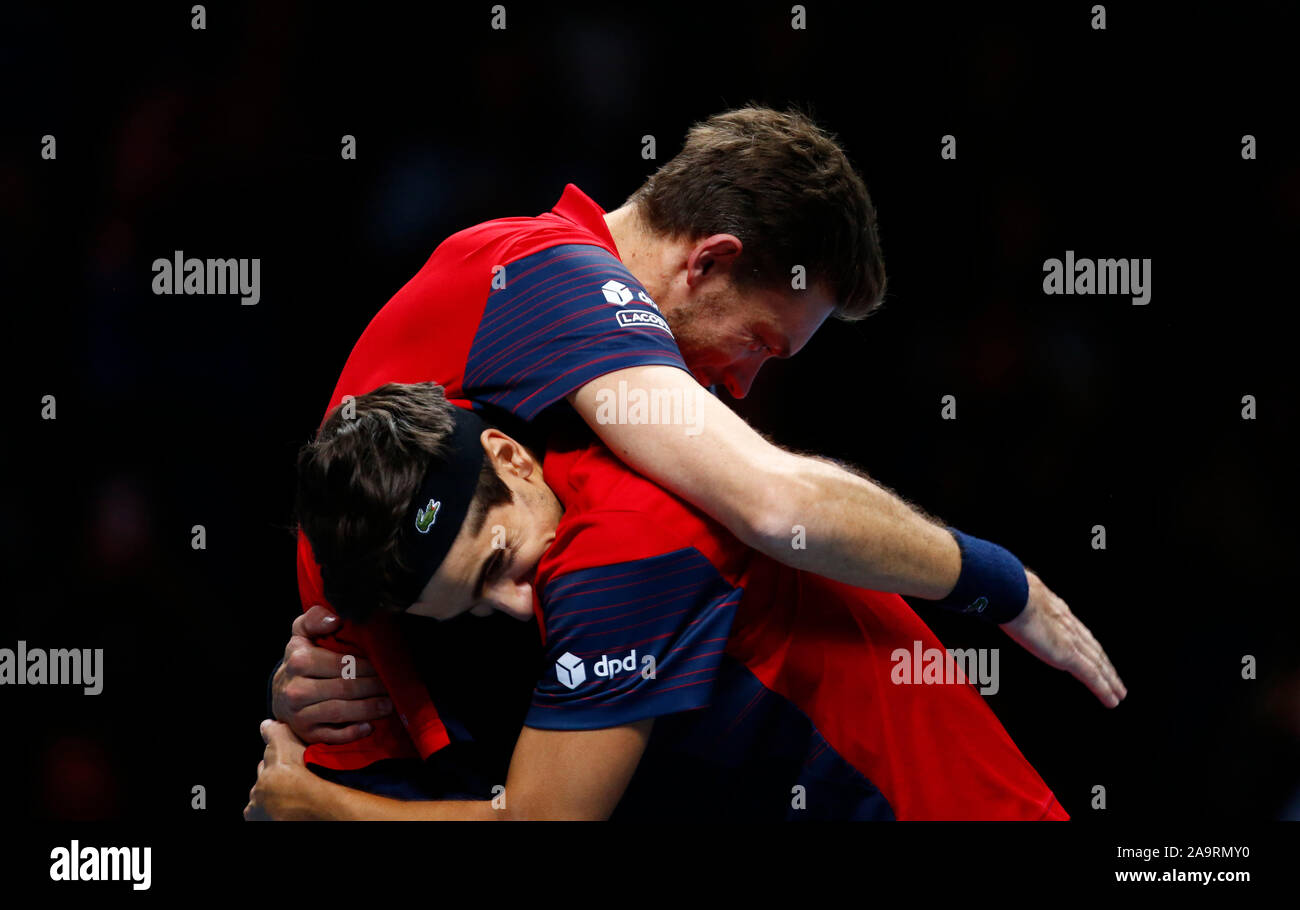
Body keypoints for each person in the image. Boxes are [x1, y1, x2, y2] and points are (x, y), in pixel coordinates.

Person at [271, 106, 1123, 784]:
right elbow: (776, 501)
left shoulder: (534, 298)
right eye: (760, 341)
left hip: (415, 686)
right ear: (708, 261)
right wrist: (1000, 586)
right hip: (381, 713)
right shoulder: (551, 276)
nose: (746, 384)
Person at [249, 382, 1080, 820]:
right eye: (467, 607)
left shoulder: (626, 550)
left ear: (511, 457)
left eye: (497, 563)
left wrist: (317, 804)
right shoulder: (552, 522)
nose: (510, 607)